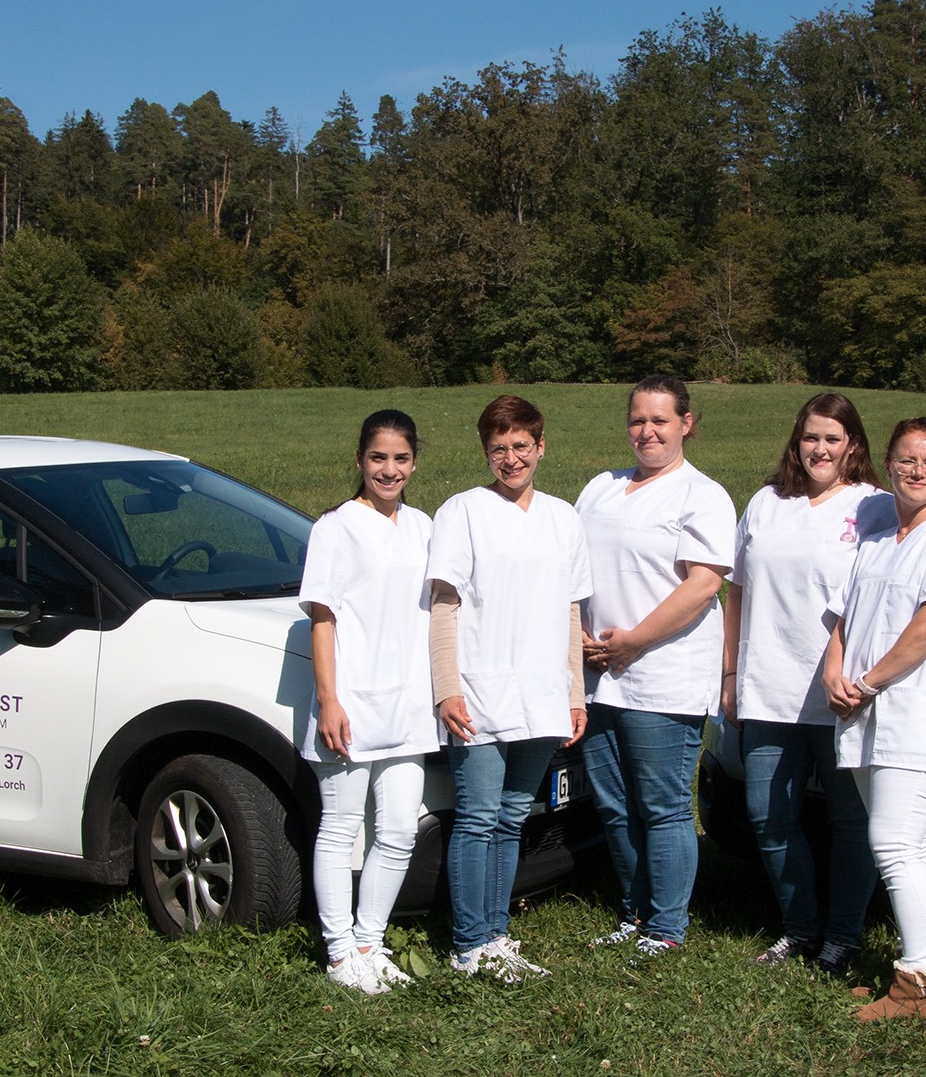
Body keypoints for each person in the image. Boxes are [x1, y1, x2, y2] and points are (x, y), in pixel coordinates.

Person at [823, 417, 926, 1021]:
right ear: (889, 464)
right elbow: (845, 619)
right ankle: (910, 967)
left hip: (916, 715)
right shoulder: (875, 539)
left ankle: (918, 983)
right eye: (906, 459)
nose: (917, 471)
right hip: (864, 716)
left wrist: (868, 682)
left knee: (898, 844)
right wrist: (834, 673)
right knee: (894, 843)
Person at [721, 392, 891, 977]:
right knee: (768, 818)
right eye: (811, 437)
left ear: (853, 446)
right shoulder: (767, 502)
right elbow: (737, 592)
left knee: (851, 823)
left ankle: (842, 939)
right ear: (797, 441)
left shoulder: (875, 507)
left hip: (842, 695)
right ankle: (799, 930)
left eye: (832, 439)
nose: (820, 449)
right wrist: (730, 674)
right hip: (767, 686)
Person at [427, 394, 592, 983]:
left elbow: (570, 612)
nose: (511, 458)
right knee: (477, 816)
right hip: (479, 690)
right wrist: (447, 687)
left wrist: (575, 693)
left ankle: (497, 936)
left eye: (521, 446)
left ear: (541, 447)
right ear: (485, 452)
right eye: (499, 448)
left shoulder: (563, 518)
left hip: (542, 692)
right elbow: (444, 606)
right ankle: (468, 944)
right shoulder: (463, 512)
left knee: (513, 815)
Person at [576, 376, 736, 957]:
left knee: (662, 806)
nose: (647, 431)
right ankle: (634, 911)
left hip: (663, 677)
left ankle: (666, 928)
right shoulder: (600, 487)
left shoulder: (702, 495)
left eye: (660, 421)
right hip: (598, 678)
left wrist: (634, 642)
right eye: (638, 420)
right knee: (615, 804)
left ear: (686, 424)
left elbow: (703, 584)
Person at [298, 409, 441, 995]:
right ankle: (339, 953)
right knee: (340, 828)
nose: (389, 469)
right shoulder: (335, 528)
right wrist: (329, 700)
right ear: (359, 459)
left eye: (401, 458)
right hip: (351, 704)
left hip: (408, 705)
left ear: (415, 463)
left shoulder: (424, 526)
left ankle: (369, 943)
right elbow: (322, 618)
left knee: (400, 828)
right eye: (378, 457)